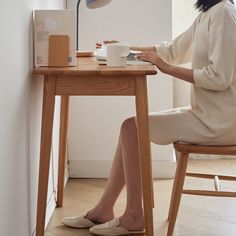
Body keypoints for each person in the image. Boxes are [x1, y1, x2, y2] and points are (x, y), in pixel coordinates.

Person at [61, 0, 236, 235]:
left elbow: (219, 78)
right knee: (130, 127)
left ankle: (134, 216)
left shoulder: (224, 13)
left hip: (221, 122)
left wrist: (167, 68)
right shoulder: (208, 14)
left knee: (132, 129)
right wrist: (126, 48)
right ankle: (105, 209)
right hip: (207, 114)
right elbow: (171, 51)